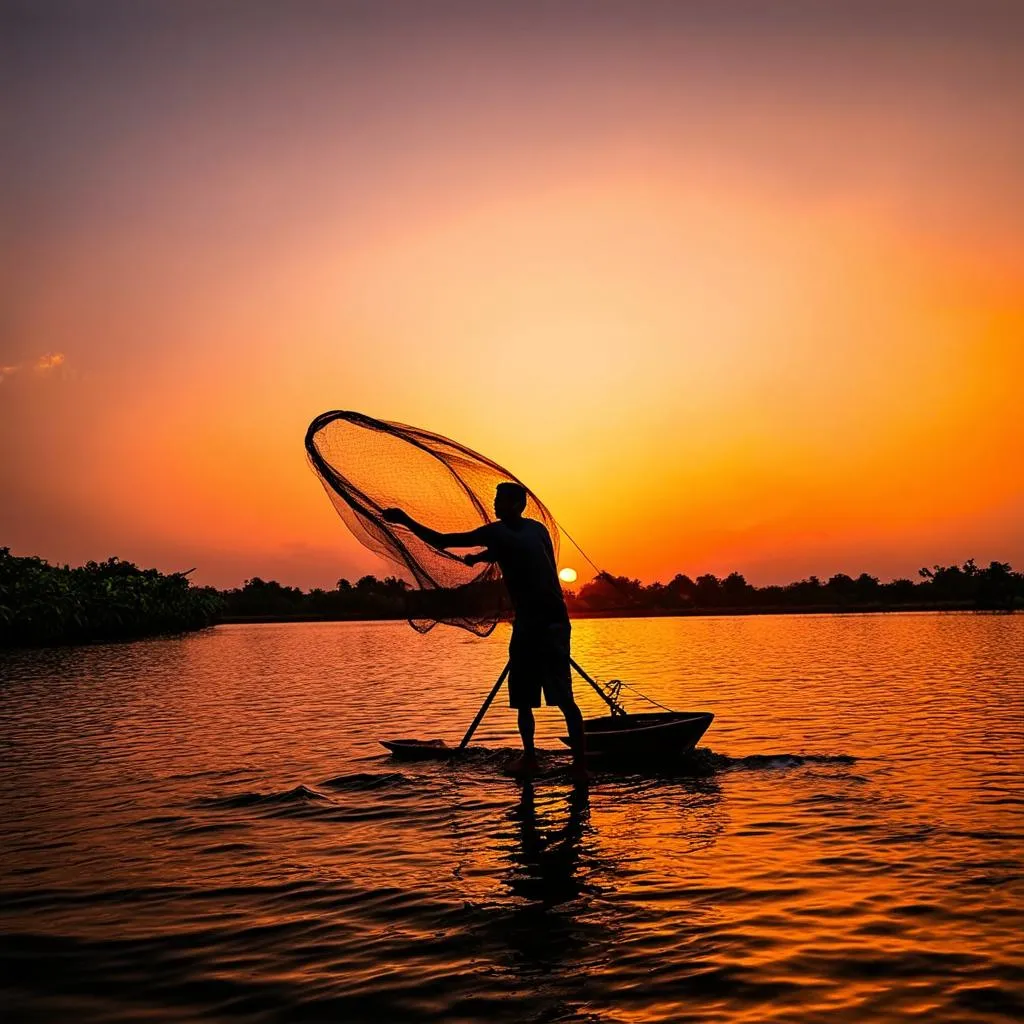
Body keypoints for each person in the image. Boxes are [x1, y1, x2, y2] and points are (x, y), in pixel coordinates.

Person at [383, 482, 588, 782]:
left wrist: (405, 520)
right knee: (548, 697)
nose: (495, 505)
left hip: (534, 625)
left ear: (517, 504)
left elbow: (443, 541)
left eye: (501, 500)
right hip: (557, 621)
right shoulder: (537, 530)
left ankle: (534, 759)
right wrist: (482, 558)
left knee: (528, 698)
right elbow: (518, 551)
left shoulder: (496, 532)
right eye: (495, 499)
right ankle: (576, 766)